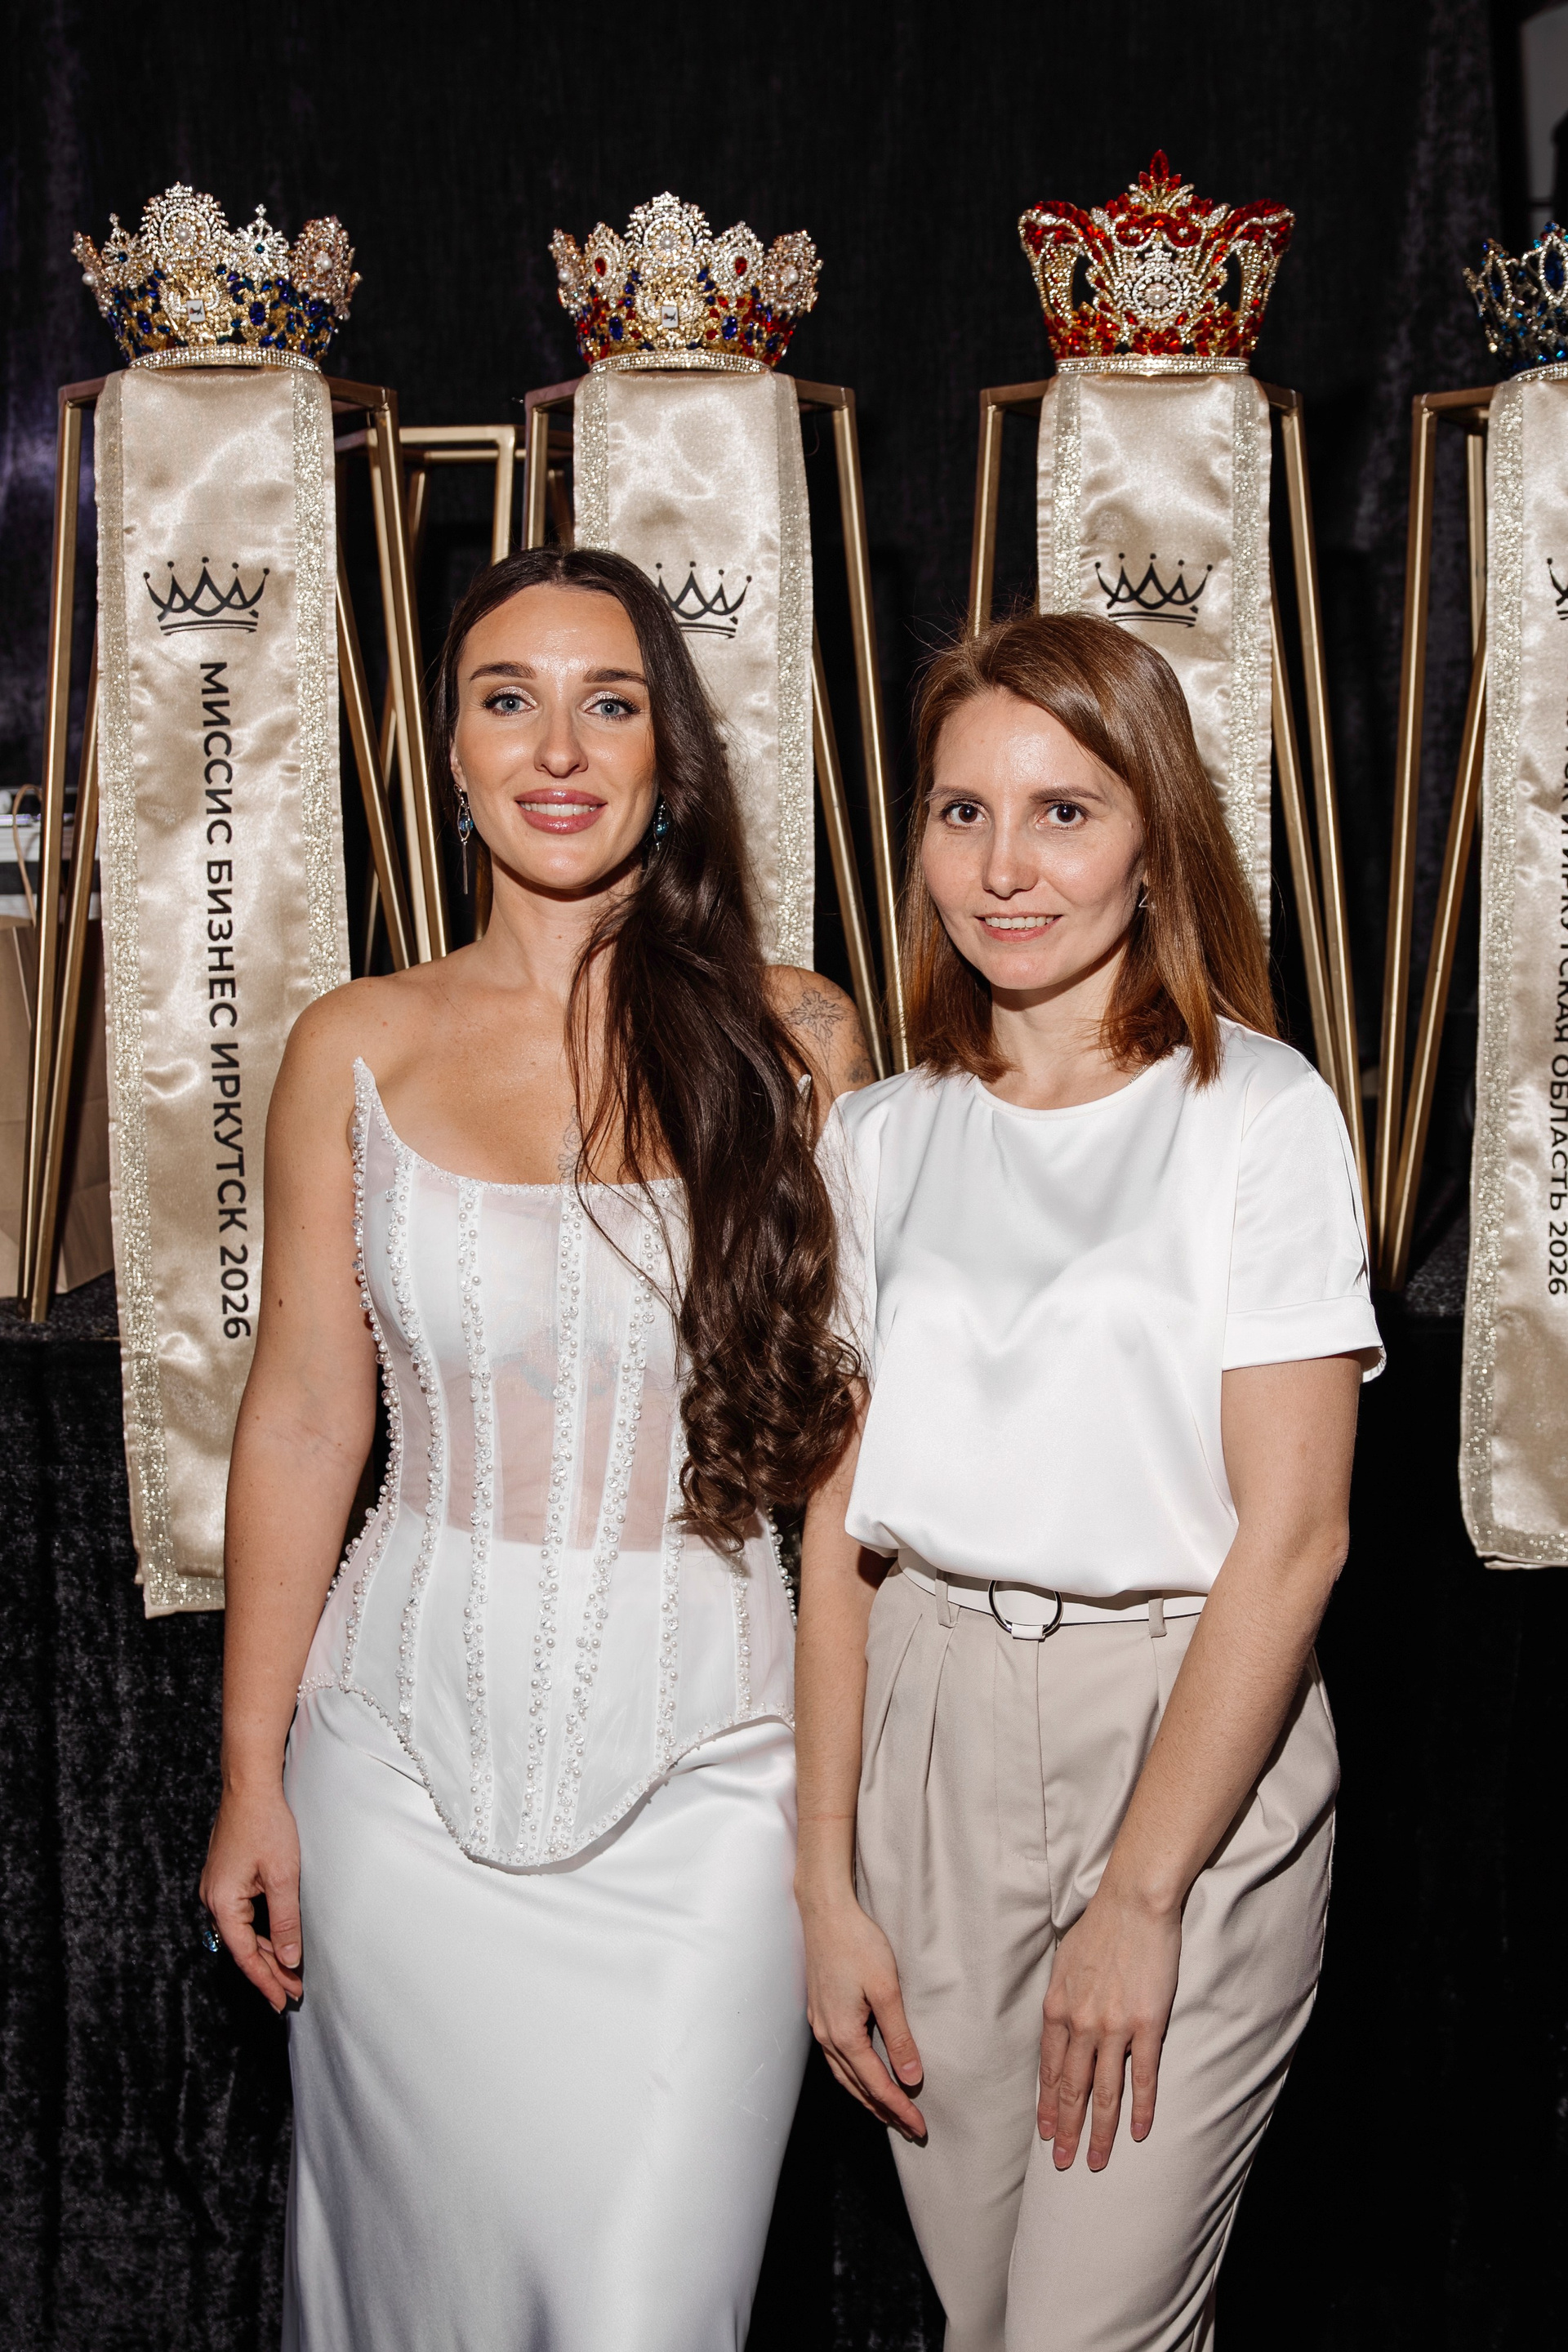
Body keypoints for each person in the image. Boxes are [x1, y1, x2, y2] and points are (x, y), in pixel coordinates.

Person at [199, 546, 871, 2352]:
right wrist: (252, 1771)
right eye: (509, 700)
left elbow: (847, 1481)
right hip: (391, 1781)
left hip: (712, 1790)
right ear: (449, 749)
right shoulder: (355, 1042)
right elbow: (306, 1416)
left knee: (649, 2310)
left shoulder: (799, 1038)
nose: (557, 749)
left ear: (672, 753)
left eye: (610, 703)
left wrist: (829, 1857)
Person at [796, 611, 1381, 2352]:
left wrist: (1144, 1894)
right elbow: (834, 1532)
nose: (1006, 866)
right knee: (987, 2324)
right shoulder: (878, 1138)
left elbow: (1297, 1539)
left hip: (1184, 1733)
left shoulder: (1258, 1113)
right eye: (963, 811)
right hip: (929, 1736)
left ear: (1153, 839)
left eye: (1064, 811)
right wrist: (823, 1885)